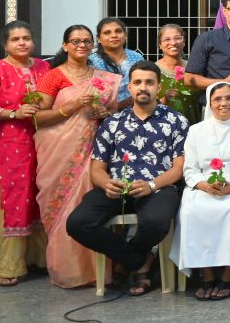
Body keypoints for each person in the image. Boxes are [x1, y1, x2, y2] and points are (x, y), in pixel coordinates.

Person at [66, 61, 188, 296]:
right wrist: (106, 183)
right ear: (129, 87)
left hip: (158, 187)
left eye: (149, 82)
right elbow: (97, 168)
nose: (143, 87)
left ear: (159, 87)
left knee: (156, 221)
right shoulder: (112, 123)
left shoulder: (176, 121)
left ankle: (130, 262)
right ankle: (139, 260)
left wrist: (151, 185)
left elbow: (179, 168)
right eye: (137, 82)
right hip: (117, 187)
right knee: (78, 223)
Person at [33, 25, 121, 288]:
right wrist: (70, 107)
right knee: (60, 209)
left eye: (86, 41)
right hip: (58, 151)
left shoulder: (103, 77)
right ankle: (68, 270)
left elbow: (112, 113)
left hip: (95, 152)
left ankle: (97, 271)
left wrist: (104, 113)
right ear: (65, 45)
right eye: (75, 41)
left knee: (88, 208)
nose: (81, 45)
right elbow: (37, 118)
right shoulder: (53, 76)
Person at [0, 21, 48, 287]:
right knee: (13, 198)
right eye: (15, 39)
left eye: (26, 38)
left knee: (39, 196)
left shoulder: (44, 67)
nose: (22, 43)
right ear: (5, 44)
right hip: (11, 144)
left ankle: (39, 259)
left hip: (43, 141)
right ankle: (8, 265)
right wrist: (14, 113)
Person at [170, 82, 230, 301]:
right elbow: (190, 169)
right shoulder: (196, 130)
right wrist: (204, 185)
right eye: (217, 99)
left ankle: (228, 275)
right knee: (192, 211)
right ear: (209, 103)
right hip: (204, 184)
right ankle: (207, 275)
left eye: (229, 98)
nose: (223, 103)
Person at [89, 17, 144, 109]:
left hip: (136, 110)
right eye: (107, 32)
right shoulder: (92, 61)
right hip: (103, 112)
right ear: (99, 39)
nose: (114, 35)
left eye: (118, 31)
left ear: (125, 35)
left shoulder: (136, 57)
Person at [154, 23, 200, 124]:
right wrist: (164, 100)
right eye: (167, 39)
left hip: (193, 127)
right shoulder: (153, 71)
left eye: (177, 38)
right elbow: (145, 104)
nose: (173, 43)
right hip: (162, 128)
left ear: (183, 42)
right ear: (160, 45)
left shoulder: (194, 69)